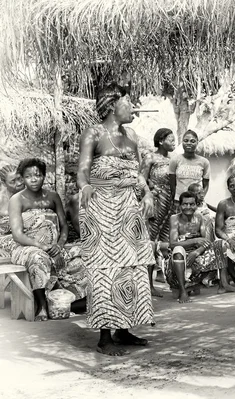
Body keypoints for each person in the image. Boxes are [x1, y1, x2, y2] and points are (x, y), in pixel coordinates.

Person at [78, 83, 156, 356]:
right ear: (112, 105)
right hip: (100, 208)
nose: (133, 107)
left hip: (127, 209)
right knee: (105, 269)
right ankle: (104, 337)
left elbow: (138, 175)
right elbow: (82, 172)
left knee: (131, 269)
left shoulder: (132, 135)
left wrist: (146, 194)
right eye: (129, 102)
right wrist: (86, 187)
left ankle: (123, 329)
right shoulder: (93, 133)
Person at [8, 158, 89, 321]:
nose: (33, 179)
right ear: (23, 178)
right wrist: (43, 247)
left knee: (85, 252)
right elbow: (17, 235)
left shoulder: (52, 197)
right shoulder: (16, 200)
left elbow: (64, 226)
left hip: (54, 247)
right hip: (25, 247)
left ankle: (73, 301)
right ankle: (42, 305)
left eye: (37, 175)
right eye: (28, 176)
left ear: (44, 176)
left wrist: (59, 246)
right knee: (38, 258)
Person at [167, 191, 233, 302]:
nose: (188, 207)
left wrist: (196, 252)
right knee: (178, 250)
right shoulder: (174, 219)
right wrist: (195, 240)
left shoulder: (200, 217)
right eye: (185, 204)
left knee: (221, 245)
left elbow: (206, 241)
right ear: (180, 205)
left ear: (197, 205)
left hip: (197, 253)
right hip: (180, 254)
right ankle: (183, 291)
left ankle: (223, 284)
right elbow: (172, 244)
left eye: (192, 204)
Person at [140, 128, 177, 296]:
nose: (174, 142)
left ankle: (171, 280)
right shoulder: (150, 157)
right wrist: (150, 190)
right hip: (155, 203)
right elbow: (140, 178)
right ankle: (147, 285)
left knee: (166, 244)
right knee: (150, 243)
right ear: (161, 141)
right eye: (171, 139)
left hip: (171, 205)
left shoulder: (174, 160)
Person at [169, 130, 211, 209]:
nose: (189, 143)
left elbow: (206, 185)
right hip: (179, 202)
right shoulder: (175, 160)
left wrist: (200, 197)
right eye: (186, 140)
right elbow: (172, 184)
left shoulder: (204, 162)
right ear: (182, 142)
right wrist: (175, 201)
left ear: (197, 143)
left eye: (192, 141)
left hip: (196, 203)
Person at [0, 164, 25, 233]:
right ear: (4, 184)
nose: (19, 183)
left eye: (20, 178)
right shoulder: (1, 200)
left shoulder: (32, 193)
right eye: (13, 181)